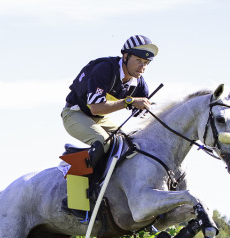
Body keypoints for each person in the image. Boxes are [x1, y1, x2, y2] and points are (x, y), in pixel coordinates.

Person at [62, 35, 158, 167]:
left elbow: (142, 116)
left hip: (100, 119)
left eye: (146, 63)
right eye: (138, 60)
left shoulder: (140, 84)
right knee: (103, 141)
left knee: (130, 143)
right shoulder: (104, 69)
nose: (142, 67)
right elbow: (95, 108)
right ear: (125, 56)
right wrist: (129, 101)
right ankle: (79, 173)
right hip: (75, 113)